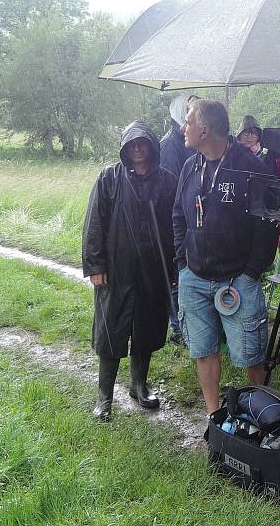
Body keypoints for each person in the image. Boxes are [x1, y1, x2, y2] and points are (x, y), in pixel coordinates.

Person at [173, 100, 278, 415]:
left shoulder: (252, 168)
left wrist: (250, 273)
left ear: (205, 129)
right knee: (203, 351)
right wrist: (182, 262)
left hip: (237, 280)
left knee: (251, 355)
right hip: (194, 276)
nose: (183, 128)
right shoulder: (191, 165)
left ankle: (261, 416)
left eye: (188, 122)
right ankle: (213, 416)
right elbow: (178, 214)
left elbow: (267, 225)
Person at [83, 121, 178, 420]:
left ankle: (139, 386)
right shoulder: (109, 178)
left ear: (151, 145)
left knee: (146, 330)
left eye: (142, 142)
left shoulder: (167, 181)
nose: (137, 148)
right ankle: (104, 398)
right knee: (111, 332)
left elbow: (176, 225)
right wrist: (95, 265)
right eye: (131, 144)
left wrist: (175, 268)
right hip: (116, 271)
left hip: (153, 270)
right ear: (125, 148)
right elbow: (94, 224)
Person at [159, 93, 199, 345]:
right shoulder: (170, 145)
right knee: (175, 273)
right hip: (174, 219)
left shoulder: (188, 143)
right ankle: (178, 328)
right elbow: (169, 186)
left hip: (190, 218)